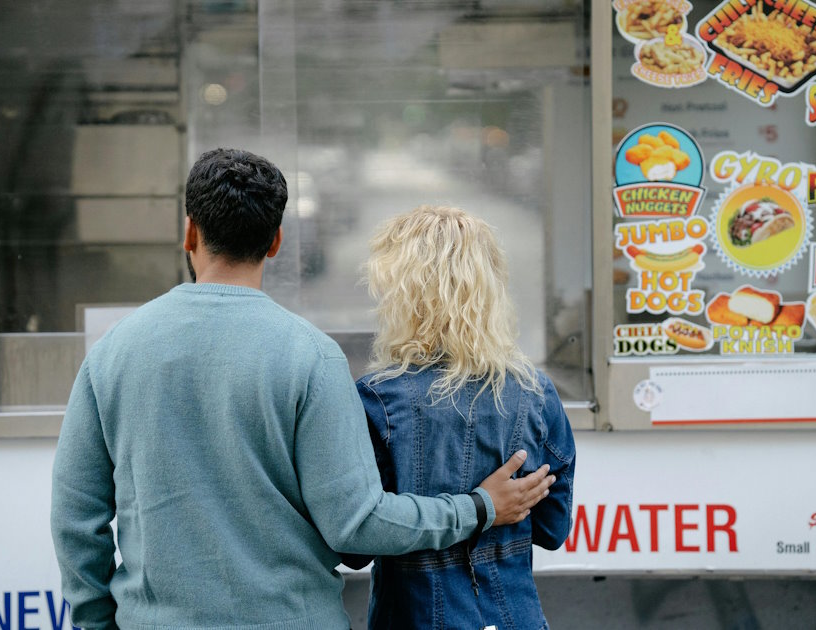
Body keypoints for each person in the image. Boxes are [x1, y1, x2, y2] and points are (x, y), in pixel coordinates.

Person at [50, 149, 556, 629]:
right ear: (276, 241)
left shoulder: (112, 354)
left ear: (189, 233)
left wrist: (99, 621)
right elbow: (355, 526)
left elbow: (77, 522)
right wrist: (478, 507)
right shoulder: (310, 356)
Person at [352, 205, 576, 629]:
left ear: (404, 295)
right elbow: (553, 529)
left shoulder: (377, 400)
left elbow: (356, 545)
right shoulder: (536, 393)